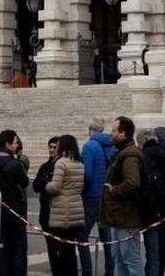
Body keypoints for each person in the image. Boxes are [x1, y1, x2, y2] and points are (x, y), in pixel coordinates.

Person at [102, 116, 145, 276]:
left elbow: (132, 182)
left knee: (131, 260)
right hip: (119, 217)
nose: (110, 134)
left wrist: (114, 190)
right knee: (119, 259)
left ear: (123, 134)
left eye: (114, 131)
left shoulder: (130, 155)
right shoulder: (123, 152)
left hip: (127, 217)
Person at [0, 129, 30, 276]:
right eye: (15, 142)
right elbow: (24, 182)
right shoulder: (14, 164)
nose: (17, 145)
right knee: (19, 247)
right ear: (7, 144)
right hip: (14, 210)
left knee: (3, 246)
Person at [137, 128, 165, 276]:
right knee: (162, 249)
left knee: (150, 250)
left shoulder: (143, 156)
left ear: (142, 142)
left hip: (149, 209)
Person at [81, 118, 118, 276]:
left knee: (82, 235)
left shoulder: (89, 146)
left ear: (90, 129)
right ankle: (109, 271)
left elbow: (87, 174)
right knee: (107, 237)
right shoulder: (112, 146)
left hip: (92, 195)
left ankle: (87, 272)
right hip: (107, 195)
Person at [46, 134, 87, 276]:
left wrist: (47, 185)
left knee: (61, 249)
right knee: (70, 248)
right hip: (76, 208)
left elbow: (55, 187)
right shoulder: (80, 164)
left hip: (62, 210)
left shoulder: (61, 163)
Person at [34, 137, 62, 266]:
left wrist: (45, 183)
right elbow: (35, 186)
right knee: (51, 245)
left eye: (54, 147)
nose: (51, 150)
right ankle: (55, 269)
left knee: (61, 245)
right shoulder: (44, 167)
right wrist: (46, 183)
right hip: (45, 210)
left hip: (58, 211)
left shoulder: (62, 166)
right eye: (50, 147)